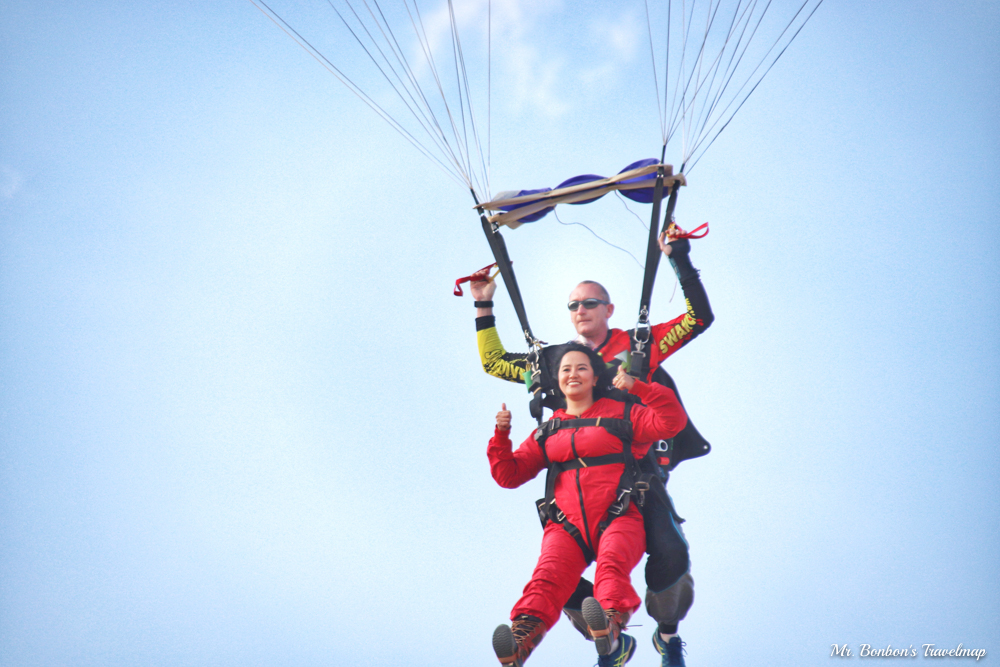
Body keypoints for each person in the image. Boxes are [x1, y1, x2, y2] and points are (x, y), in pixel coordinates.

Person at [471, 231, 713, 667]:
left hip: (634, 465)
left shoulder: (638, 346)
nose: (581, 311)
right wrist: (483, 304)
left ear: (608, 310)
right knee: (558, 565)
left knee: (668, 551)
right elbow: (493, 362)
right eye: (573, 305)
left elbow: (697, 318)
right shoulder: (555, 362)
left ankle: (667, 633)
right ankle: (605, 635)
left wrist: (679, 258)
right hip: (575, 477)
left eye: (590, 303)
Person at [489, 344, 688, 667]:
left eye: (581, 368)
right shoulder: (549, 428)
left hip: (618, 516)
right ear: (557, 378)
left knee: (611, 568)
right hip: (566, 526)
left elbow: (670, 421)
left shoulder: (623, 413)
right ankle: (521, 640)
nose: (573, 374)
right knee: (547, 578)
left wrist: (638, 388)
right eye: (566, 369)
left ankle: (609, 626)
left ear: (595, 377)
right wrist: (501, 436)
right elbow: (508, 474)